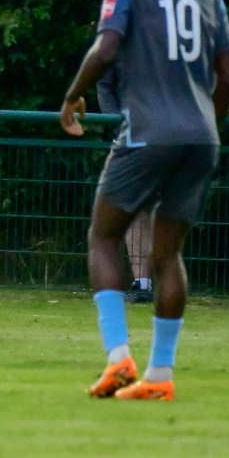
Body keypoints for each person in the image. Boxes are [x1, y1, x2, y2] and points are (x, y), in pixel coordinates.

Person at [59, 0, 229, 401]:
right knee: (168, 254)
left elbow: (106, 48)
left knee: (104, 236)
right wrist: (209, 126)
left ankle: (119, 359)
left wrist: (73, 96)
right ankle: (160, 375)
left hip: (148, 131)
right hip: (201, 138)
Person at [97, 69, 154, 303]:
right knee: (133, 210)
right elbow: (104, 84)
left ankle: (163, 279)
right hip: (130, 138)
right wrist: (119, 123)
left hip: (168, 137)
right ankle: (142, 283)